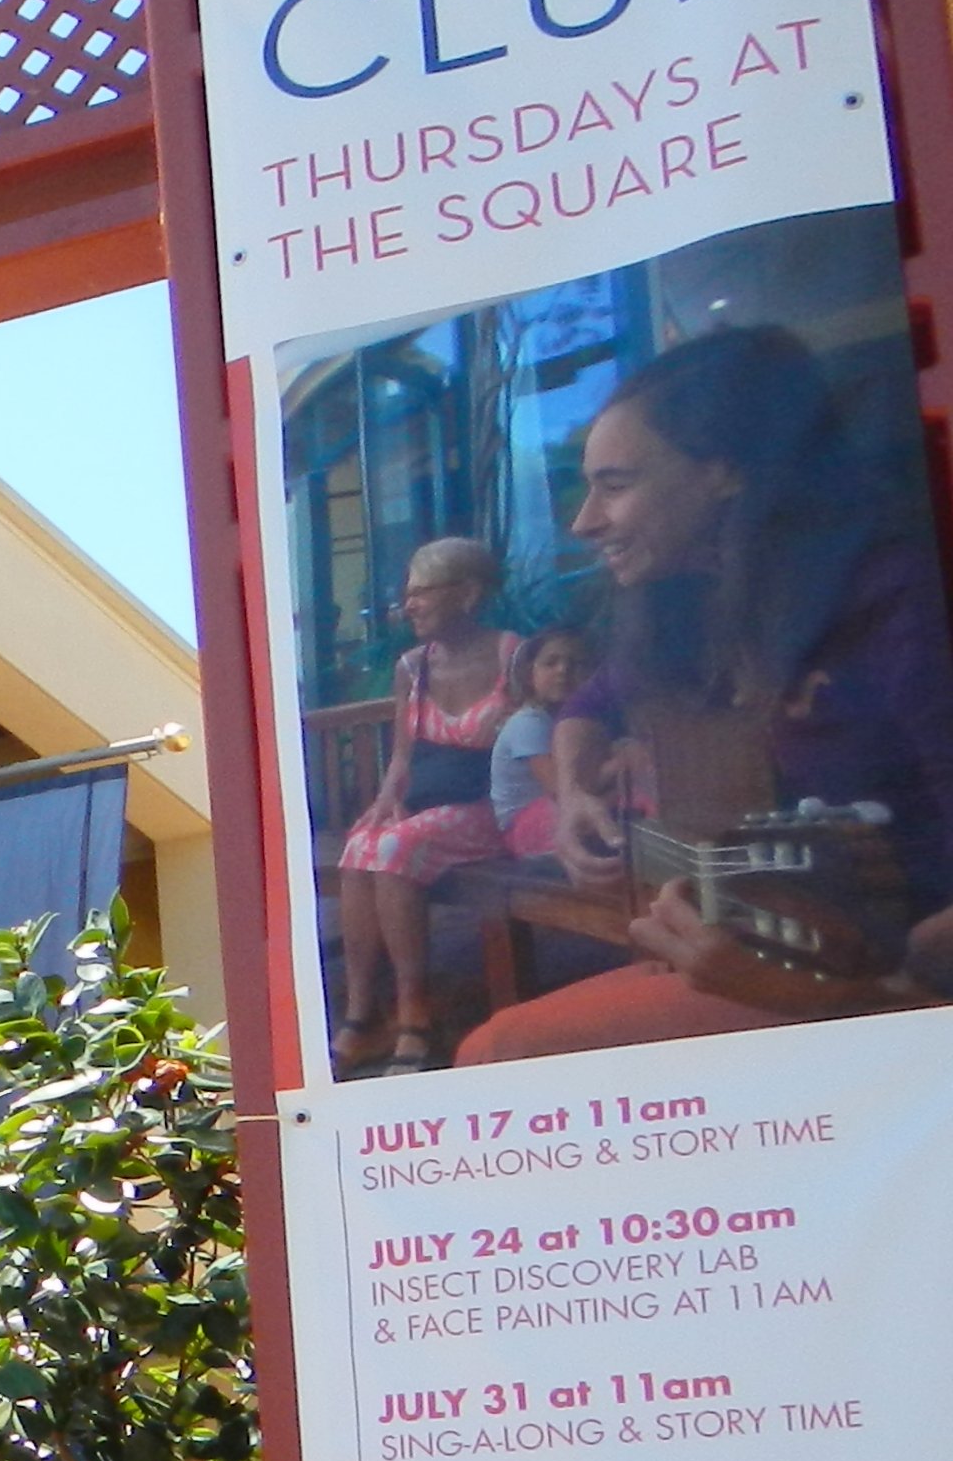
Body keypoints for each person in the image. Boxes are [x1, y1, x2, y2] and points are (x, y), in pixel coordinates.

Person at [470, 326, 953, 1059]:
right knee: (500, 1046)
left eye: (615, 485)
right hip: (830, 953)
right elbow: (588, 707)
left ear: (726, 472)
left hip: (895, 994)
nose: (584, 521)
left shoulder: (901, 601)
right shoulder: (708, 601)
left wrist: (837, 998)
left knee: (503, 1052)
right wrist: (573, 796)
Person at [326, 535, 523, 1074]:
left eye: (422, 593)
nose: (408, 605)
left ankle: (415, 1012)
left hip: (494, 808)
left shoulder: (512, 655)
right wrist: (385, 800)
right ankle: (363, 1013)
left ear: (468, 593)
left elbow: (536, 737)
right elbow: (402, 756)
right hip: (433, 811)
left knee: (396, 847)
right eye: (407, 594)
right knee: (362, 844)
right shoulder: (413, 667)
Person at [488, 624, 595, 861]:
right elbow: (560, 788)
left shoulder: (583, 722)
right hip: (524, 826)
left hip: (565, 806)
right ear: (530, 675)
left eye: (575, 664)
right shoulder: (528, 722)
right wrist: (616, 768)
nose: (563, 671)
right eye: (550, 663)